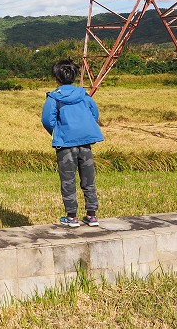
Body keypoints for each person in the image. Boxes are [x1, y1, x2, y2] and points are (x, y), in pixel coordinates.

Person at [41, 59, 104, 227]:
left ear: (56, 77)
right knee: (88, 179)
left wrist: (57, 131)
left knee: (68, 180)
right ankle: (91, 215)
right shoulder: (83, 95)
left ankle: (71, 217)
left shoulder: (54, 97)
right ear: (74, 76)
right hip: (85, 143)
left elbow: (47, 119)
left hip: (65, 144)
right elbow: (95, 114)